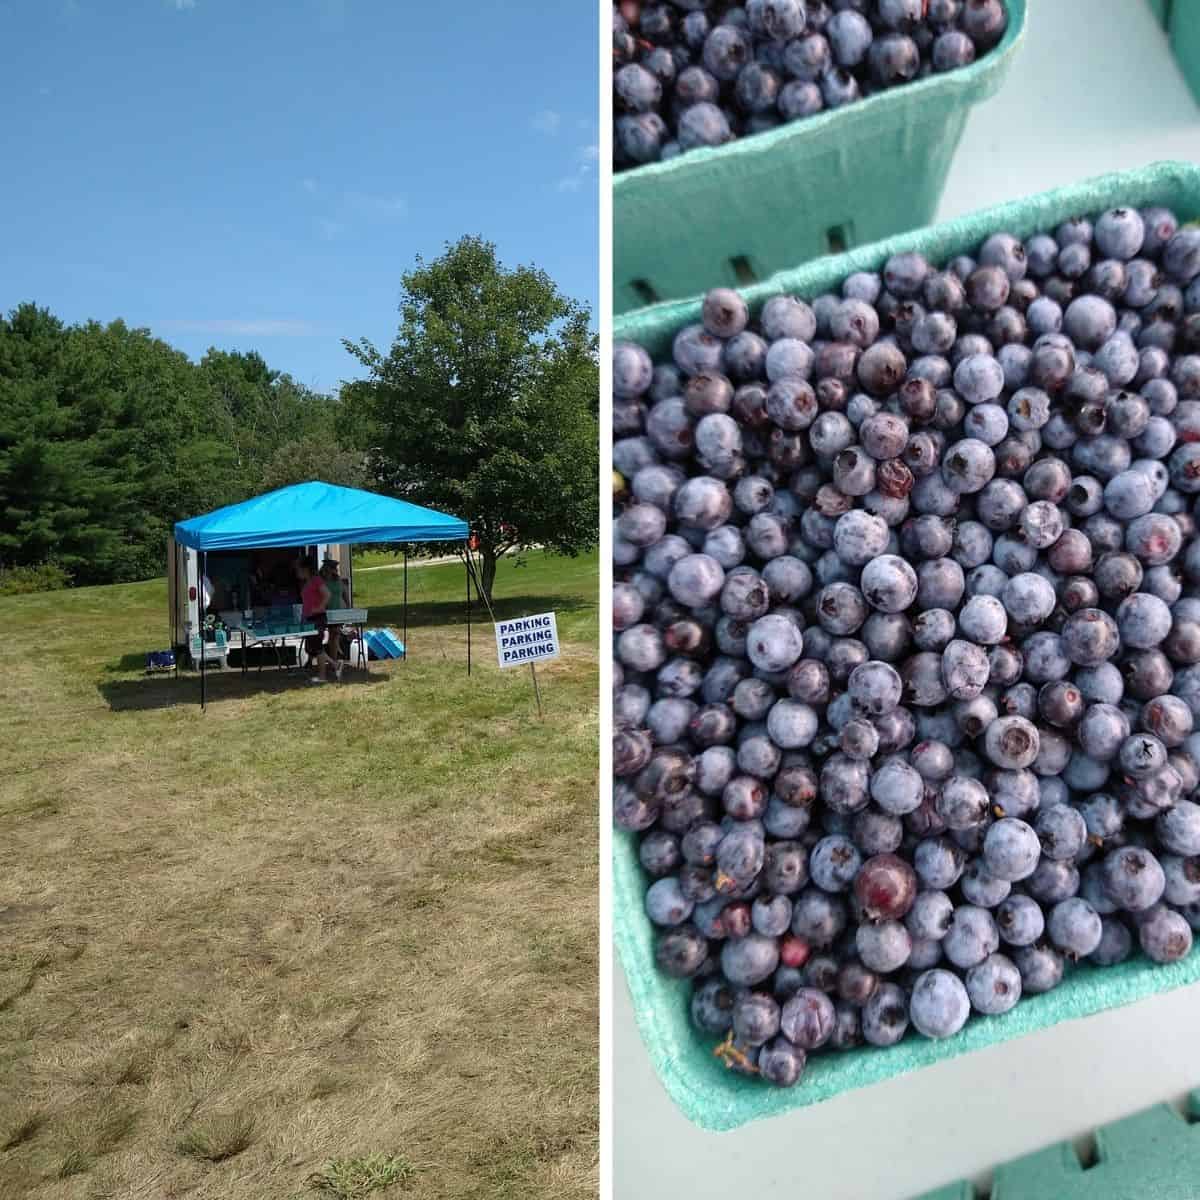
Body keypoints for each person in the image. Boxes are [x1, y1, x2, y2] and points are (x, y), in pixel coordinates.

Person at [297, 560, 340, 684]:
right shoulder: (308, 582)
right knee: (314, 648)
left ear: (305, 569)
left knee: (317, 648)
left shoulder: (316, 580)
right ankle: (335, 665)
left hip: (317, 617)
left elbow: (327, 594)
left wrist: (320, 607)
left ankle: (322, 676)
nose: (297, 572)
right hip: (309, 618)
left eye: (299, 569)